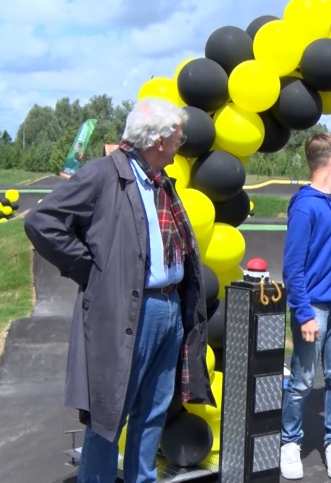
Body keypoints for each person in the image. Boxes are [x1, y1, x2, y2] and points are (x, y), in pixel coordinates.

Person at [24, 98, 214, 483]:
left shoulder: (158, 178)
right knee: (110, 415)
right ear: (158, 140)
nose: (182, 142)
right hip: (131, 313)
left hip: (168, 309)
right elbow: (42, 222)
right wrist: (93, 271)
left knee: (153, 411)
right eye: (178, 135)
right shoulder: (102, 174)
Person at [280, 132, 331, 481]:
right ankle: (289, 442)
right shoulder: (305, 205)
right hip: (315, 308)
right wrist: (304, 312)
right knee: (303, 380)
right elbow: (292, 267)